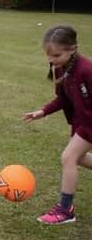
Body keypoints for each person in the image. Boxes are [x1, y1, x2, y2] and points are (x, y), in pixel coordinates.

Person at [23, 25, 92, 225]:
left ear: (72, 49)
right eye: (49, 56)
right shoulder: (59, 69)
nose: (51, 60)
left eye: (56, 55)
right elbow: (63, 99)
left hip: (89, 124)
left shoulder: (87, 70)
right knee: (77, 158)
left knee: (68, 157)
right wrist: (42, 111)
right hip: (81, 123)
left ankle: (65, 209)